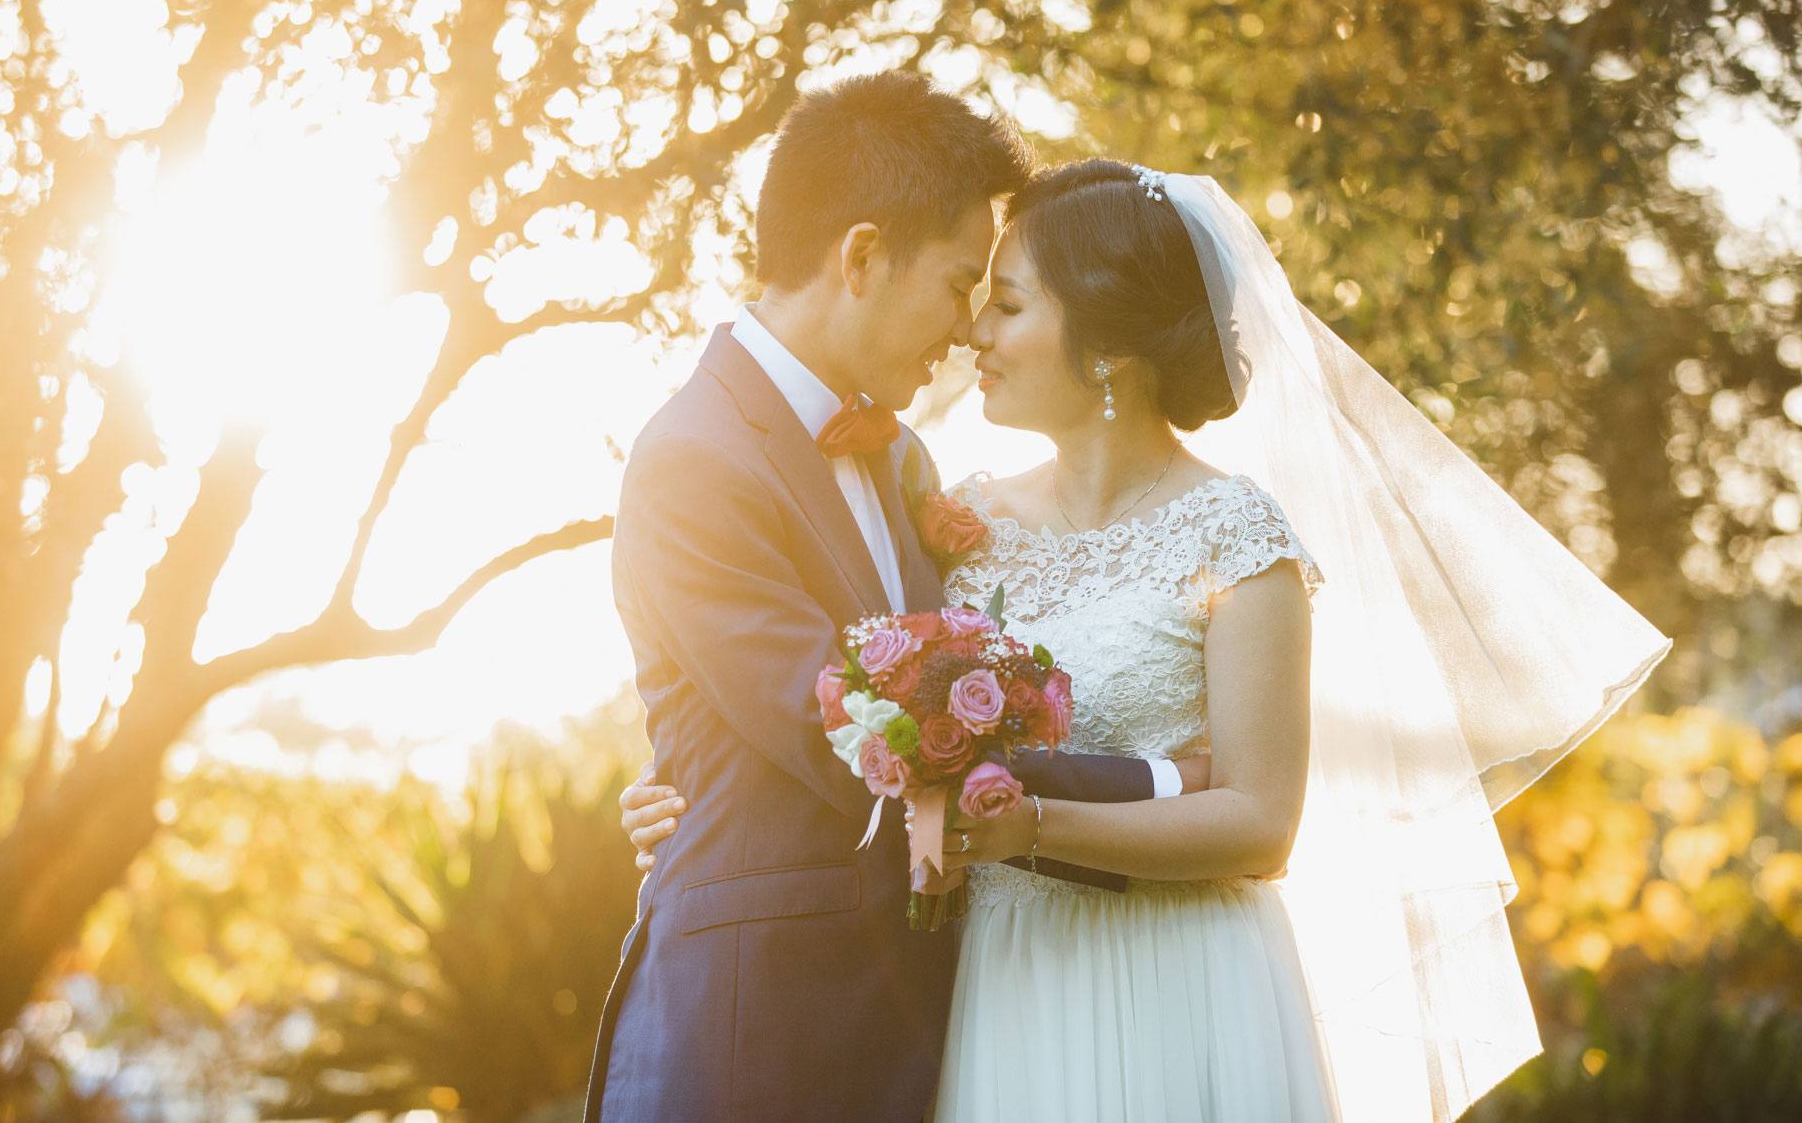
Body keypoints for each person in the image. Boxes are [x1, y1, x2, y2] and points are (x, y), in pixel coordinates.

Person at [621, 158, 1670, 1121]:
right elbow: (854, 692)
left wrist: (1025, 823)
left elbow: (1262, 821)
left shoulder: (1238, 533)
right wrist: (689, 789)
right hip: (1004, 981)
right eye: (971, 295)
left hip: (1187, 979)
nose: (971, 333)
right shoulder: (957, 517)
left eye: (1007, 303)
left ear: (1109, 344)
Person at [585, 76, 1211, 1123]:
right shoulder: (691, 457)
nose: (968, 329)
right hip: (760, 1027)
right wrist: (1155, 781)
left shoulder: (907, 460)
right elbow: (847, 717)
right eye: (961, 282)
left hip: (931, 1017)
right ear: (861, 257)